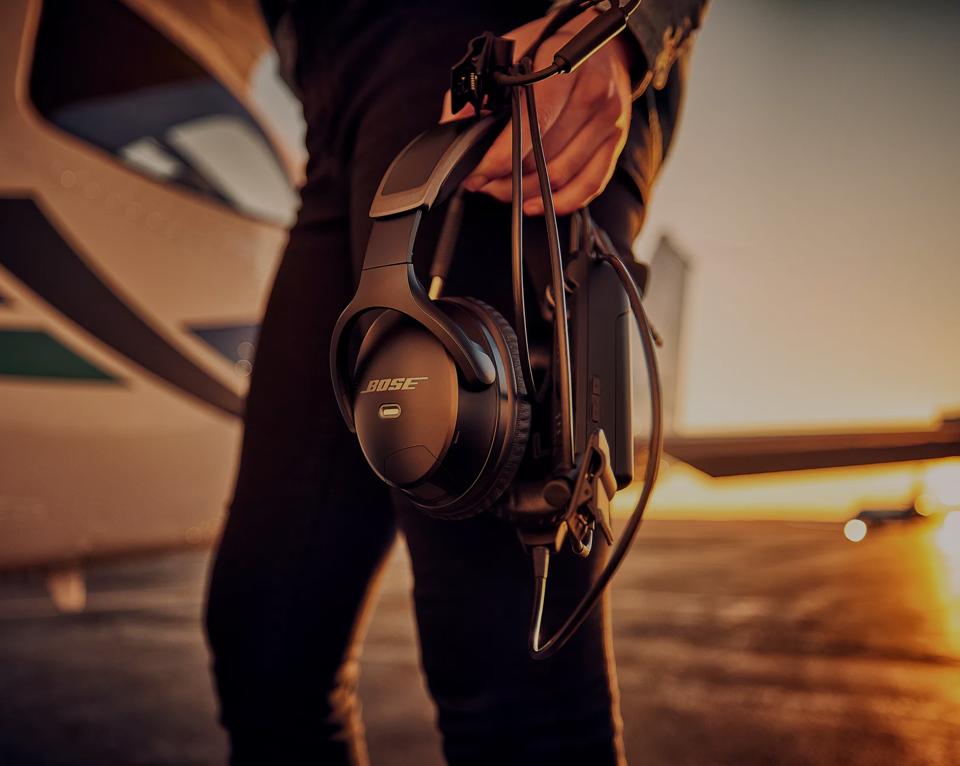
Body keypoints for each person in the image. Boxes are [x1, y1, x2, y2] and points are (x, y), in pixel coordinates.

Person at [205, 1, 708, 763]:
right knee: (265, 643)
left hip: (509, 49)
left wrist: (625, 23)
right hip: (335, 87)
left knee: (511, 677)